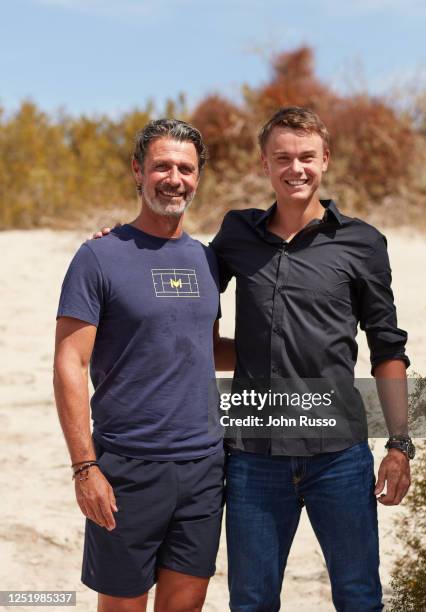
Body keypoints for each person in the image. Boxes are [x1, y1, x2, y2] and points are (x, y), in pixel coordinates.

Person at [210, 107, 413, 612]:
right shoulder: (236, 235)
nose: (294, 168)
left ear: (325, 160)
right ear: (264, 165)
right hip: (254, 458)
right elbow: (189, 309)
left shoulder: (362, 242)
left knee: (359, 598)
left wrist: (400, 444)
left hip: (339, 458)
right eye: (282, 157)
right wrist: (127, 247)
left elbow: (386, 348)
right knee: (252, 602)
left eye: (305, 157)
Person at [54, 118, 233, 612]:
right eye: (161, 166)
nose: (174, 178)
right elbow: (70, 362)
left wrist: (294, 347)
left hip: (203, 468)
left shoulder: (206, 260)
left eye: (186, 168)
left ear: (198, 177)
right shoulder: (99, 256)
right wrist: (85, 467)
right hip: (126, 468)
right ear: (138, 170)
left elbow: (206, 346)